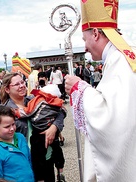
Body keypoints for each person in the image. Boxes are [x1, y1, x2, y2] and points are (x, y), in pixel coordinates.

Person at [64, 0, 136, 181]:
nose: (85, 47)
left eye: (84, 39)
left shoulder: (119, 61)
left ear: (95, 33)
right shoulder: (124, 56)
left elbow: (113, 119)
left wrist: (79, 88)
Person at [0, 72, 65, 181]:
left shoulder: (35, 100)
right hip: (25, 160)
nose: (22, 86)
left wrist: (54, 127)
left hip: (46, 155)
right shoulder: (5, 111)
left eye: (22, 82)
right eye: (17, 84)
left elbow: (61, 111)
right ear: (7, 89)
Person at [0, 105, 34, 182]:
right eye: (7, 127)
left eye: (13, 124)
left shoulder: (20, 137)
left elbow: (29, 162)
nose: (12, 129)